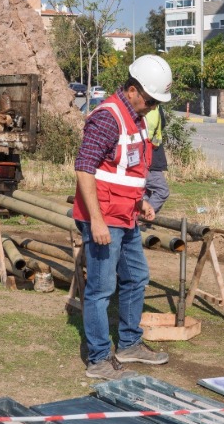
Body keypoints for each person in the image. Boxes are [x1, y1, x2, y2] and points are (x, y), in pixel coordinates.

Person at [72, 54, 174, 380]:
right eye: (150, 99)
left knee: (136, 277)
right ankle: (99, 359)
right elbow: (85, 170)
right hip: (104, 217)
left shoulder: (137, 118)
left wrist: (141, 200)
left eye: (157, 101)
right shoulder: (108, 118)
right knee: (101, 289)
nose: (152, 106)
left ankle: (129, 343)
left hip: (126, 214)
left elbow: (126, 170)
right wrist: (97, 220)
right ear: (132, 90)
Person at [143, 106, 170, 214]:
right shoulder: (151, 107)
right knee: (162, 190)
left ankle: (137, 219)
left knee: (144, 192)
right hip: (149, 158)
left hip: (149, 156)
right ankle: (142, 215)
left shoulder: (154, 105)